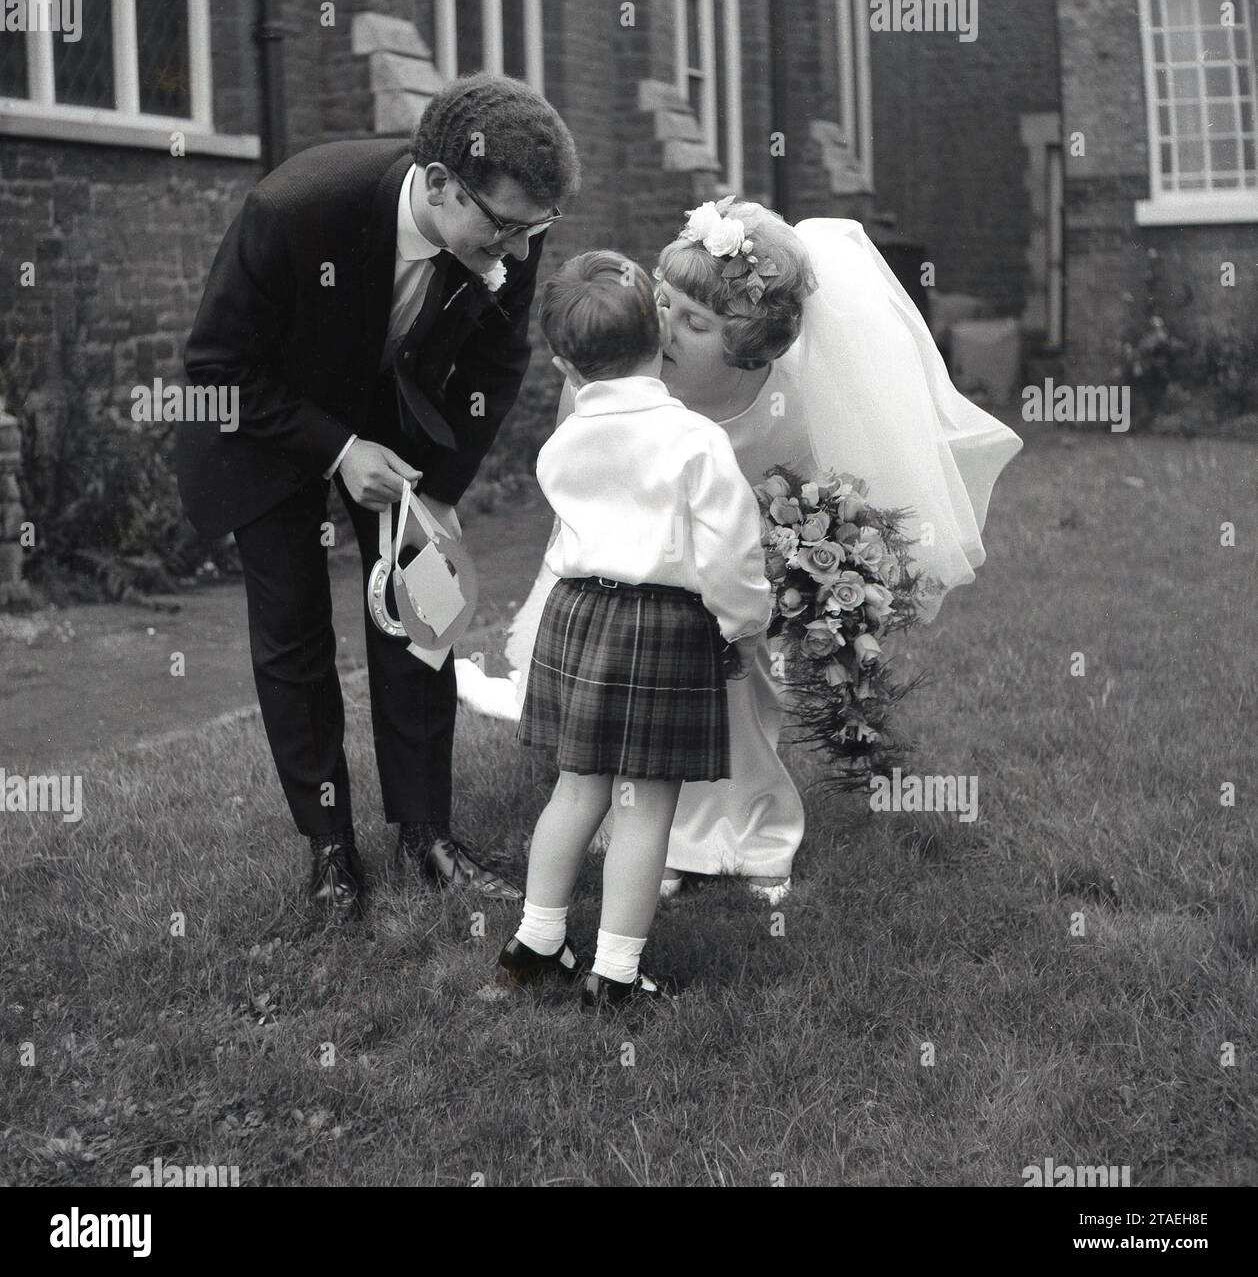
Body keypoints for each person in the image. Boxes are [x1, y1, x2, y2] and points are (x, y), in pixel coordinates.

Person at [473, 203, 1022, 905]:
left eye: (694, 324)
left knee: (736, 691)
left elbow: (815, 497)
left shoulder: (789, 402)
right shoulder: (621, 370)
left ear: (749, 350)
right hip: (628, 564)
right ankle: (638, 830)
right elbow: (581, 481)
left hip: (737, 566)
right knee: (624, 697)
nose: (664, 329)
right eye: (664, 304)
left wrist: (789, 569)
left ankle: (748, 828)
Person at [175, 73, 580, 918]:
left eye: (532, 231)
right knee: (293, 634)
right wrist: (336, 450)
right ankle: (330, 850)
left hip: (405, 427)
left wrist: (441, 490)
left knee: (426, 615)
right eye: (501, 228)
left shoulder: (511, 222)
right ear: (437, 185)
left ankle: (427, 835)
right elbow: (214, 371)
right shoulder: (297, 208)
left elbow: (496, 368)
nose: (514, 251)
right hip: (267, 424)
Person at [494, 251, 771, 1009]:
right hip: (664, 625)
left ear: (564, 364)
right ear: (661, 337)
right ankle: (615, 974)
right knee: (645, 804)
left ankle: (535, 940)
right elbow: (728, 553)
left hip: (577, 614)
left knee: (575, 790)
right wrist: (746, 625)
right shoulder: (695, 441)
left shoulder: (564, 444)